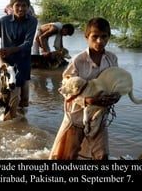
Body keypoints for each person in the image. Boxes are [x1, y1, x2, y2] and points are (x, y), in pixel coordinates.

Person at [49, 17, 121, 160]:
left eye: (104, 37)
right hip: (75, 116)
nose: (99, 41)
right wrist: (88, 100)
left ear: (109, 37)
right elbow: (65, 90)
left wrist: (116, 96)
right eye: (95, 37)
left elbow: (116, 83)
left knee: (102, 156)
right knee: (66, 156)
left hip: (99, 117)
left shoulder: (112, 59)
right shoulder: (78, 60)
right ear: (87, 36)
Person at [0, 0, 38, 120]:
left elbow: (28, 43)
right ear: (11, 6)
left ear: (28, 7)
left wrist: (12, 50)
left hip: (23, 63)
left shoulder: (32, 21)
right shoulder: (3, 21)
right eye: (18, 5)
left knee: (24, 101)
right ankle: (9, 125)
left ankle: (19, 123)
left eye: (24, 6)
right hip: (8, 65)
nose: (21, 9)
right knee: (12, 98)